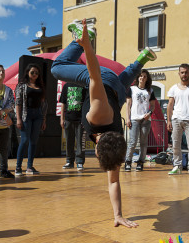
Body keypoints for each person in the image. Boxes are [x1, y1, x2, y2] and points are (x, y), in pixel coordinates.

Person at [51, 19, 157, 228]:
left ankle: (142, 59)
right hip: (104, 80)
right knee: (57, 68)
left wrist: (118, 215)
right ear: (97, 148)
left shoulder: (115, 146)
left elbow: (114, 181)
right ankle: (83, 38)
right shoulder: (97, 116)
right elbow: (94, 76)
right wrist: (86, 46)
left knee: (123, 80)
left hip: (116, 92)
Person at [15, 63, 47, 176]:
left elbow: (43, 104)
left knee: (34, 141)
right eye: (32, 72)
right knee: (24, 140)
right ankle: (18, 167)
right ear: (28, 73)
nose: (34, 74)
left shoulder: (40, 86)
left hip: (38, 115)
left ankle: (29, 166)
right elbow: (18, 103)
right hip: (26, 114)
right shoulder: (21, 85)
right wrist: (18, 118)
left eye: (37, 73)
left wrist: (44, 119)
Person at [124, 69, 156, 172]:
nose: (142, 78)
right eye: (141, 76)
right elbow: (128, 105)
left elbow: (153, 106)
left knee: (143, 142)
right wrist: (128, 118)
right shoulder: (132, 89)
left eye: (144, 76)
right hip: (134, 119)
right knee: (132, 142)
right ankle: (128, 161)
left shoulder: (150, 91)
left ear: (147, 79)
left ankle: (140, 162)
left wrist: (150, 113)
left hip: (146, 120)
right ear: (138, 78)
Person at [167, 63, 189, 176]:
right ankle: (177, 166)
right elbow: (170, 105)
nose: (184, 74)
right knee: (175, 145)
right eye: (182, 72)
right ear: (179, 74)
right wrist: (169, 120)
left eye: (186, 72)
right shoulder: (173, 88)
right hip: (176, 119)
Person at [60, 82, 86, 171]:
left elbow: (87, 104)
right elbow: (63, 103)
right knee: (69, 141)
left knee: (80, 141)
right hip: (68, 118)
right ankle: (69, 161)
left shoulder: (84, 85)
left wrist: (85, 119)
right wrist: (61, 119)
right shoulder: (66, 86)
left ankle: (80, 162)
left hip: (80, 120)